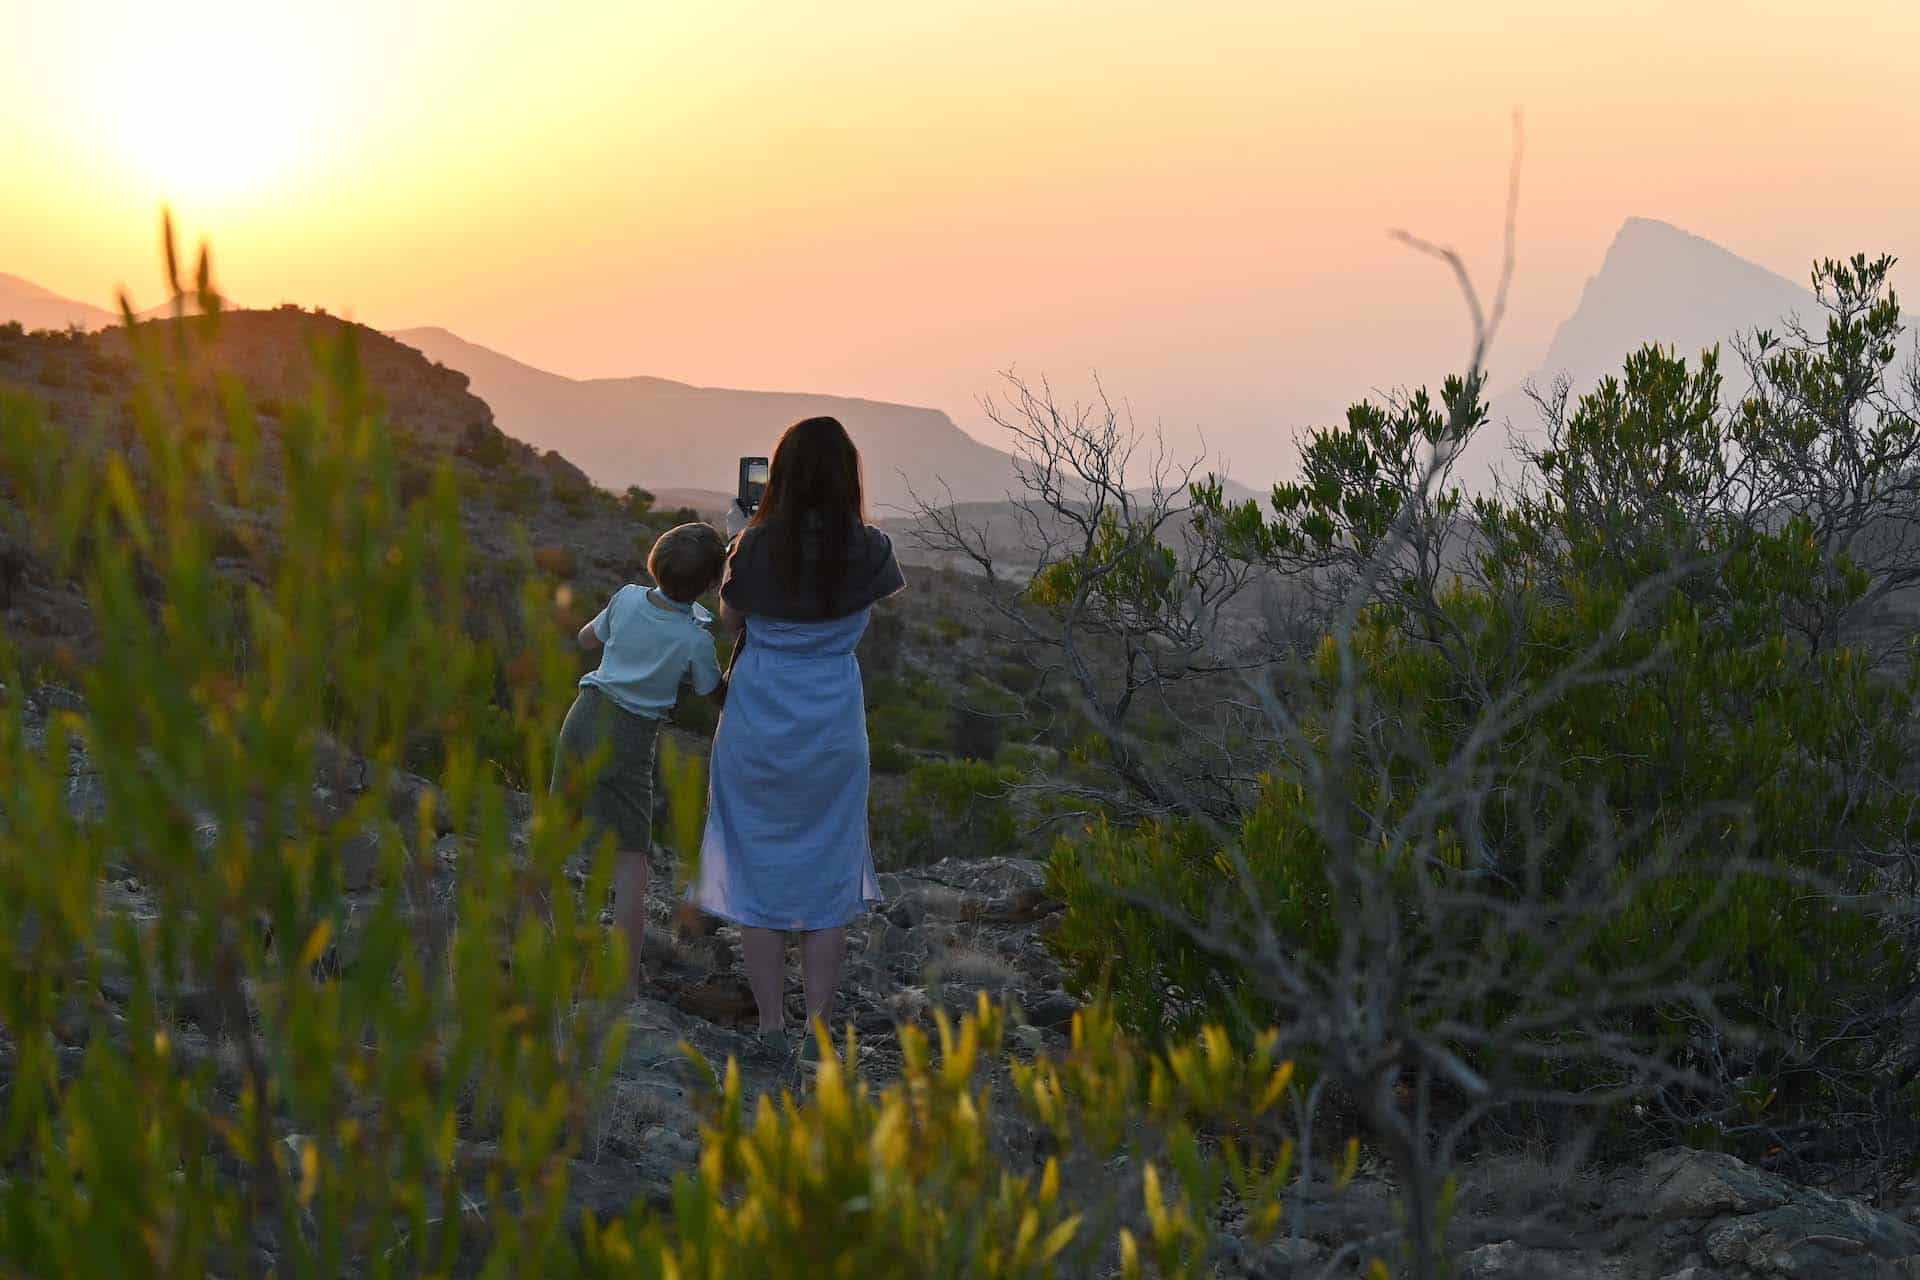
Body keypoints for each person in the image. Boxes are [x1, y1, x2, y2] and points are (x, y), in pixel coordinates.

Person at [692, 415, 906, 1058]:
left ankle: (770, 1028)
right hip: (833, 722)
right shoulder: (872, 549)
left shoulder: (755, 548)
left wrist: (739, 539)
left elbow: (733, 623)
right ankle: (817, 1030)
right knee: (825, 873)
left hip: (758, 718)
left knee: (757, 868)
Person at [553, 521, 728, 990]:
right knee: (632, 860)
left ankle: (534, 940)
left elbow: (587, 641)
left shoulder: (627, 596)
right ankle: (625, 979)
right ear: (712, 585)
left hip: (583, 717)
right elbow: (715, 694)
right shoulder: (696, 639)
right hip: (630, 739)